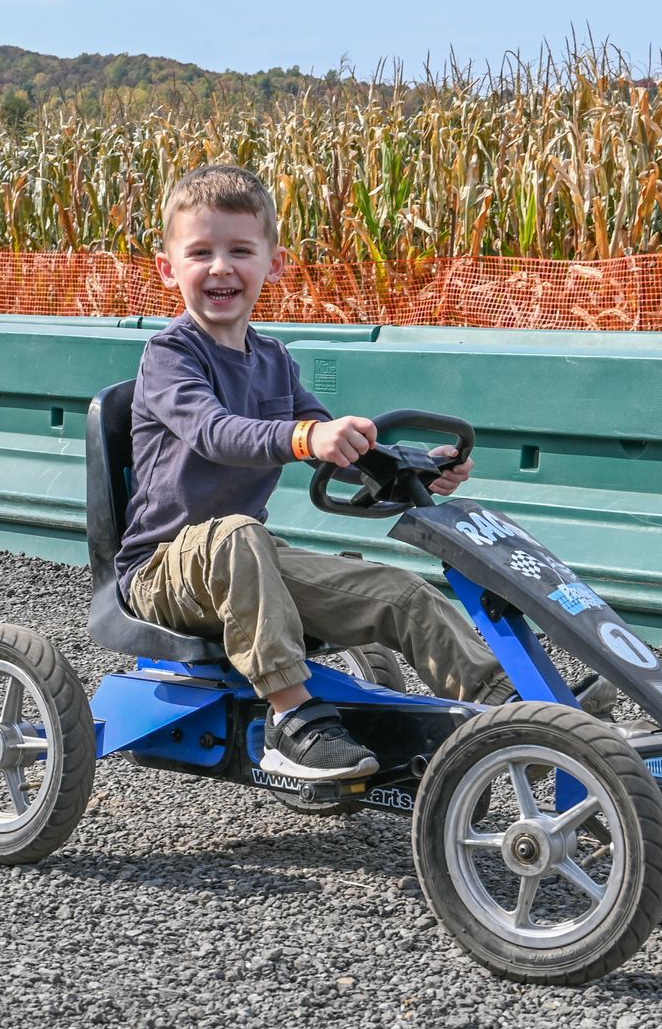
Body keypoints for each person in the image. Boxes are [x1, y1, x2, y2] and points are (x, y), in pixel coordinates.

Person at [116, 164, 607, 782]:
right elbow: (216, 433)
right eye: (201, 252)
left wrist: (416, 469)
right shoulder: (170, 355)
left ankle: (511, 711)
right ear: (168, 268)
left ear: (275, 264)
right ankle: (292, 722)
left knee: (397, 591)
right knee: (240, 532)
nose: (221, 268)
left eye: (240, 251)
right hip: (165, 569)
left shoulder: (273, 360)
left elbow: (336, 448)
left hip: (250, 559)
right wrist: (305, 437)